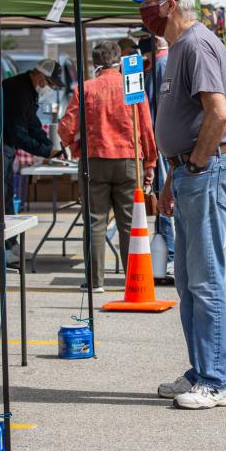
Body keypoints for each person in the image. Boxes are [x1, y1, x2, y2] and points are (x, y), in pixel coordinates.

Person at [132, 0, 226, 410]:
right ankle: (203, 371)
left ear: (169, 4)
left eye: (148, 4)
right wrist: (173, 174)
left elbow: (217, 114)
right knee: (189, 281)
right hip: (191, 171)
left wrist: (193, 165)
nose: (144, 13)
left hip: (205, 170)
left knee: (204, 278)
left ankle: (218, 380)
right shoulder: (181, 47)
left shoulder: (195, 45)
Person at [58, 40, 158, 294]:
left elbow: (66, 127)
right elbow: (146, 127)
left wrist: (75, 147)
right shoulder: (132, 87)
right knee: (130, 224)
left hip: (95, 161)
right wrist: (150, 162)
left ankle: (95, 281)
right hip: (129, 160)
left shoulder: (86, 88)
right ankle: (131, 279)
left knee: (95, 222)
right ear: (120, 60)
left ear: (95, 63)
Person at [0, 59, 62, 256]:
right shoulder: (17, 90)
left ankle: (9, 243)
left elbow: (32, 123)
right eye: (51, 84)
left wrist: (49, 147)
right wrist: (44, 151)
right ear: (41, 77)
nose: (50, 89)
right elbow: (18, 133)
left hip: (5, 145)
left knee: (6, 195)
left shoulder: (27, 89)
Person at [140, 35, 173, 274]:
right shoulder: (165, 62)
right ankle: (168, 251)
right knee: (164, 197)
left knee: (163, 198)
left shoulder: (161, 64)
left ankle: (169, 253)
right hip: (165, 137)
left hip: (160, 139)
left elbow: (154, 106)